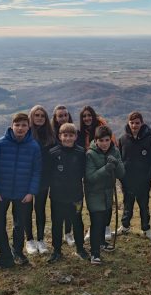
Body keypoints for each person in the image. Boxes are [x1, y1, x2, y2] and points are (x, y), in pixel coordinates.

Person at [0, 112, 41, 270]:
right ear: (12, 126)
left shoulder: (33, 146)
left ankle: (17, 252)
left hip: (23, 193)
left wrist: (31, 192)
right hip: (1, 192)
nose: (20, 128)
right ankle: (5, 255)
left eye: (24, 125)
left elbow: (37, 171)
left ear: (28, 127)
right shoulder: (0, 144)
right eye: (17, 125)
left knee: (20, 224)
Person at [46, 123, 89, 263]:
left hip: (76, 196)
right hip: (57, 196)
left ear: (75, 137)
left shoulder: (81, 152)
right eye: (65, 135)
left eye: (71, 135)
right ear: (60, 136)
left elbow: (85, 172)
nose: (68, 138)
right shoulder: (53, 153)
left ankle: (80, 248)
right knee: (57, 223)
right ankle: (57, 250)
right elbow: (48, 174)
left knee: (77, 221)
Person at [85, 126, 125, 264]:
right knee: (96, 223)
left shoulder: (115, 151)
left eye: (107, 140)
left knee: (104, 221)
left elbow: (121, 173)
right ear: (96, 140)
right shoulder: (90, 154)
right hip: (94, 194)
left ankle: (102, 243)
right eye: (101, 140)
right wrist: (106, 168)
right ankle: (94, 253)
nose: (104, 143)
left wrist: (116, 164)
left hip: (108, 194)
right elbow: (90, 177)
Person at [116, 111, 151, 240]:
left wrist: (148, 178)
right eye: (132, 123)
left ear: (142, 123)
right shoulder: (122, 140)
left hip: (143, 181)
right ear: (128, 123)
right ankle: (125, 226)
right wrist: (121, 177)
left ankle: (146, 229)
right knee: (127, 204)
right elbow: (119, 160)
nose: (134, 125)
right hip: (127, 180)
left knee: (144, 206)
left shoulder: (149, 140)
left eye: (137, 123)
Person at [77, 105, 116, 242]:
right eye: (84, 116)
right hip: (89, 169)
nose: (87, 118)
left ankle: (106, 226)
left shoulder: (102, 129)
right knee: (93, 202)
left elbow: (112, 146)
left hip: (106, 168)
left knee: (107, 199)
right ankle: (93, 227)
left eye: (89, 115)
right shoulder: (81, 133)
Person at [25, 105, 56, 254]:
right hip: (27, 178)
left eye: (42, 116)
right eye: (36, 115)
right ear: (31, 117)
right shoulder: (26, 134)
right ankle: (29, 240)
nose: (39, 118)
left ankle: (40, 239)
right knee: (27, 209)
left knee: (40, 208)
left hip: (44, 178)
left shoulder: (50, 135)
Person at [51, 105, 75, 247]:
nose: (63, 118)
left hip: (71, 179)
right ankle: (57, 240)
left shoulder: (72, 131)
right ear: (55, 118)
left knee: (70, 208)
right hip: (57, 179)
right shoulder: (51, 134)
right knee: (58, 211)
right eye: (60, 116)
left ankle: (68, 232)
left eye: (65, 115)